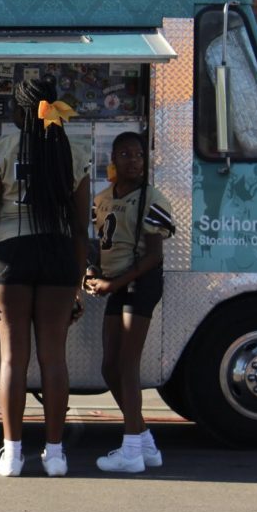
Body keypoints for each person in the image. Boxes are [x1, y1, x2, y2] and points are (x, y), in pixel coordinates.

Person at [0, 79, 90, 478]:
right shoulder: (76, 153)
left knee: (13, 359)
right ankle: (56, 454)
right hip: (59, 256)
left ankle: (12, 454)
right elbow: (81, 229)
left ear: (18, 112)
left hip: (11, 256)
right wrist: (79, 282)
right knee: (54, 359)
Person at [84, 132, 175, 473]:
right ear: (113, 159)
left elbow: (153, 257)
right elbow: (101, 246)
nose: (134, 160)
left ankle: (132, 451)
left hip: (139, 283)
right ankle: (144, 440)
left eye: (138, 155)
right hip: (116, 283)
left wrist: (114, 283)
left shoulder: (151, 199)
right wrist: (91, 275)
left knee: (127, 365)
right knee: (110, 367)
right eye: (126, 154)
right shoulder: (102, 198)